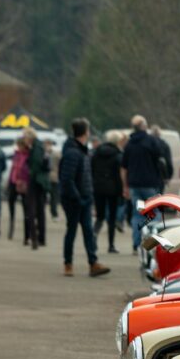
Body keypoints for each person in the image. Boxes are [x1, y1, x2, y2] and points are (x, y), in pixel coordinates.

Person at [59, 117, 110, 277]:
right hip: (75, 200)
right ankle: (68, 263)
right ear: (86, 132)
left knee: (88, 231)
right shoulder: (73, 152)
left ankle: (93, 263)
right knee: (72, 231)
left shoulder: (81, 150)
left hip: (85, 198)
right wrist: (77, 198)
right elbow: (67, 179)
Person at [121, 114, 163, 251]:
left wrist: (125, 186)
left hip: (134, 185)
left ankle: (136, 243)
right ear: (144, 126)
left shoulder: (129, 144)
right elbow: (160, 156)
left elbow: (123, 168)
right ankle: (152, 243)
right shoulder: (151, 141)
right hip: (150, 184)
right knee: (153, 213)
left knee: (137, 214)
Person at [91, 129, 123, 253]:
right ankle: (111, 245)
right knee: (112, 218)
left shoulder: (96, 153)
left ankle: (94, 237)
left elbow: (92, 168)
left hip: (98, 187)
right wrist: (121, 192)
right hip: (113, 189)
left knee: (99, 216)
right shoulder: (117, 155)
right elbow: (118, 175)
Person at [21, 127, 49, 249]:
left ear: (29, 137)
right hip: (40, 181)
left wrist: (31, 173)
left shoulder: (36, 147)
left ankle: (35, 238)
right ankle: (41, 237)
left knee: (32, 209)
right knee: (40, 210)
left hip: (36, 181)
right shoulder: (38, 146)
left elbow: (36, 163)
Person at [7, 138, 30, 242]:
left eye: (20, 145)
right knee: (11, 206)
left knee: (26, 209)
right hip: (13, 182)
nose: (18, 147)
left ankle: (26, 235)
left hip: (24, 184)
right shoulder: (16, 155)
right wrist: (9, 181)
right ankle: (11, 230)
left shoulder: (28, 155)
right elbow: (13, 168)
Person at [150, 124, 173, 194]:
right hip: (160, 176)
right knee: (157, 197)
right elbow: (168, 162)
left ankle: (141, 205)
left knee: (142, 200)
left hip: (146, 177)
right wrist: (168, 176)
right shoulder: (164, 145)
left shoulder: (146, 143)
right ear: (159, 133)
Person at [44, 140, 60, 218]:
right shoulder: (43, 154)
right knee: (43, 197)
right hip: (45, 178)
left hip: (54, 178)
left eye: (48, 144)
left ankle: (54, 213)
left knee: (54, 197)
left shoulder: (56, 154)